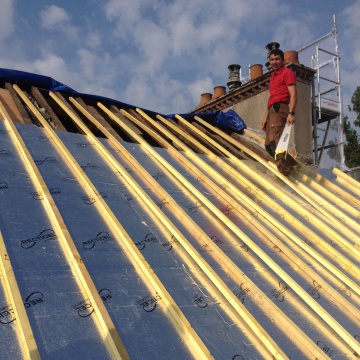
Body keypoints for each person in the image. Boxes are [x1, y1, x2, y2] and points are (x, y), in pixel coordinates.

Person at [261, 48, 298, 176]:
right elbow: (271, 99)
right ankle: (292, 165)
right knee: (268, 145)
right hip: (272, 109)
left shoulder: (287, 73)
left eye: (277, 59)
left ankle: (285, 171)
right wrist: (266, 117)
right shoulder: (273, 77)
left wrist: (291, 113)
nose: (274, 62)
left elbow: (293, 93)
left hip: (280, 108)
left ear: (282, 60)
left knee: (276, 142)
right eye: (272, 60)